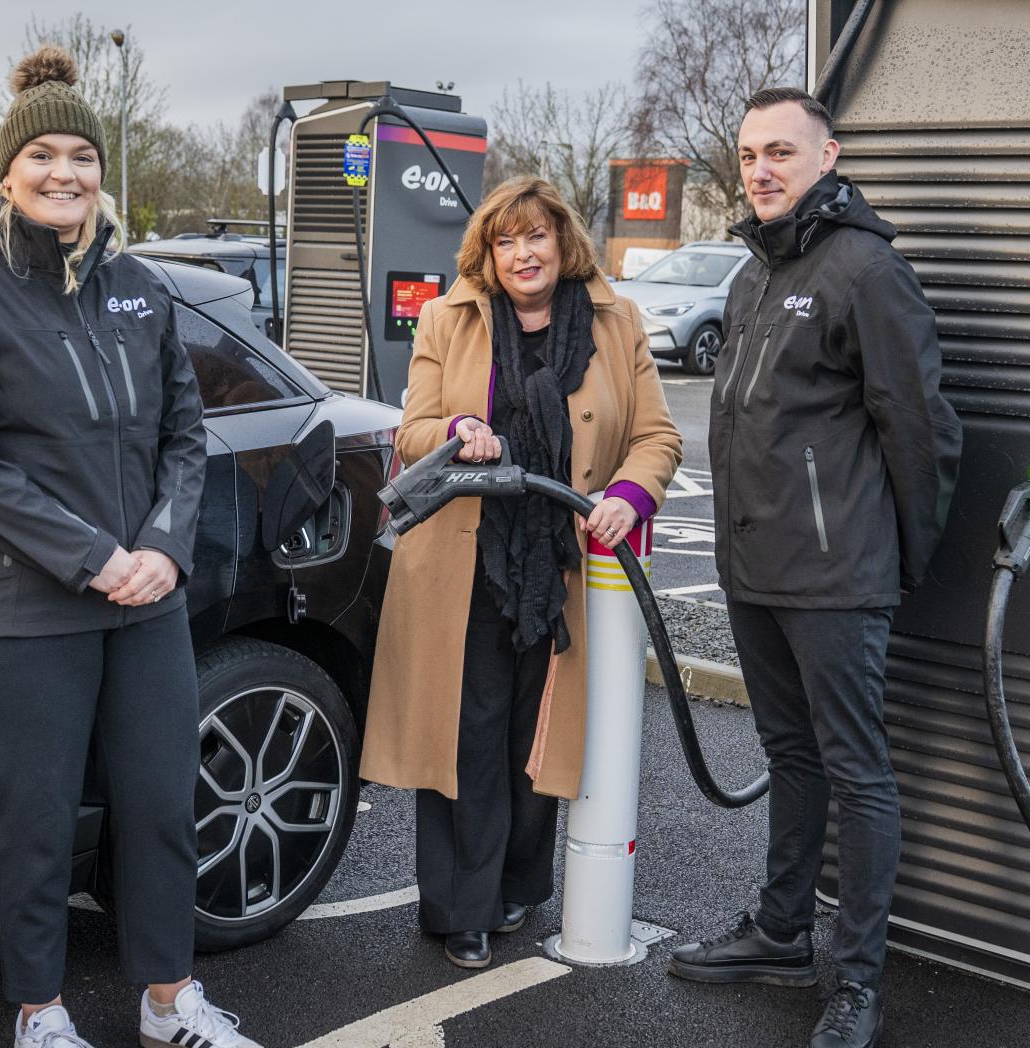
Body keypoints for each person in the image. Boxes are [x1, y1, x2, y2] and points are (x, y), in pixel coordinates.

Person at [0, 45, 256, 1048]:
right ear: (8, 170)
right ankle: (40, 1013)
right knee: (38, 823)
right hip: (20, 609)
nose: (64, 174)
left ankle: (166, 1001)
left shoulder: (137, 287)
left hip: (143, 599)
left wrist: (161, 549)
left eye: (82, 157)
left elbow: (184, 436)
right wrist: (92, 556)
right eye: (43, 156)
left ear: (105, 172)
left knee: (157, 808)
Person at [668, 87, 962, 1048]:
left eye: (782, 153)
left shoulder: (865, 270)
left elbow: (921, 429)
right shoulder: (754, 274)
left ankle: (858, 981)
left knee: (858, 773)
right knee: (791, 759)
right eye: (751, 153)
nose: (761, 169)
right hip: (756, 569)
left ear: (828, 156)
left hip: (838, 578)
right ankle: (782, 933)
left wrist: (899, 557)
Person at [361, 176, 682, 969]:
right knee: (468, 731)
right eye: (505, 241)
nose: (522, 253)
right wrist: (458, 426)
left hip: (565, 563)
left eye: (535, 236)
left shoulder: (617, 321)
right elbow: (414, 432)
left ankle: (515, 888)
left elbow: (656, 437)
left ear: (561, 240)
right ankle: (460, 908)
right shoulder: (447, 317)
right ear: (487, 252)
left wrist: (628, 495)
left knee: (538, 737)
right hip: (467, 557)